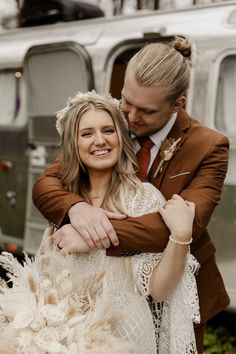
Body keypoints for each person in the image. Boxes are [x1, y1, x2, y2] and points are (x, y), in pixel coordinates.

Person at [32, 36, 230, 353]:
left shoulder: (209, 147)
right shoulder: (112, 121)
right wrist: (77, 209)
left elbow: (180, 224)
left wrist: (92, 236)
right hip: (90, 299)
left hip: (173, 280)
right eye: (126, 101)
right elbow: (48, 183)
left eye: (146, 111)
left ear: (177, 104)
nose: (131, 117)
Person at [0, 91, 199, 353]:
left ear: (120, 137)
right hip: (66, 336)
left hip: (126, 333)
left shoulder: (143, 198)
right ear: (73, 144)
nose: (100, 141)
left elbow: (159, 290)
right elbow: (46, 277)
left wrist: (181, 236)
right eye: (87, 133)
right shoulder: (66, 202)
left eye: (108, 130)